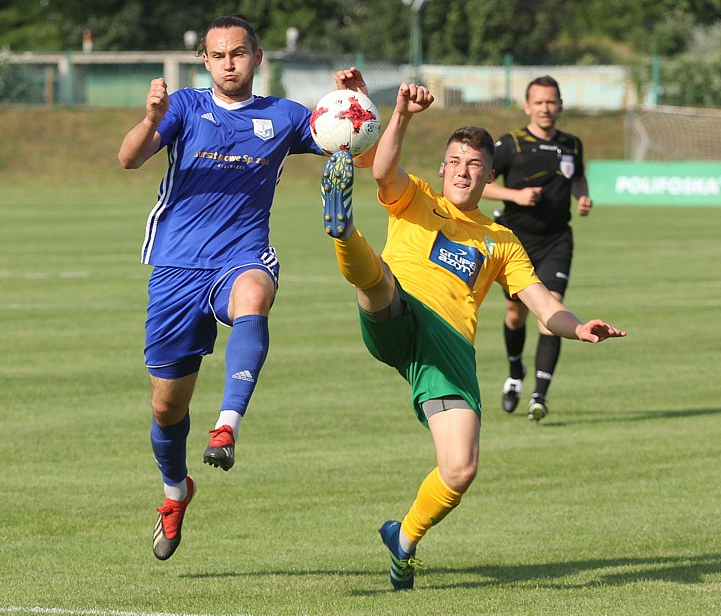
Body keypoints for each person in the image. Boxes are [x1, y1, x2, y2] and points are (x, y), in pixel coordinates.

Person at [320, 82, 625, 590]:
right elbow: (382, 169)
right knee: (377, 280)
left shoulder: (501, 240)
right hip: (398, 316)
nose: (462, 171)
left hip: (448, 351)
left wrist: (579, 327)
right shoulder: (415, 197)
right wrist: (401, 113)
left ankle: (405, 540)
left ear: (488, 174)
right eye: (455, 161)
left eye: (474, 165)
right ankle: (344, 232)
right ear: (442, 169)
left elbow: (544, 306)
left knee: (460, 469)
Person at [118, 14, 372, 561]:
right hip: (177, 267)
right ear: (205, 61)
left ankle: (226, 427)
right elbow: (129, 158)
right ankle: (175, 490)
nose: (228, 63)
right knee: (166, 409)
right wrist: (151, 119)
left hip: (243, 254)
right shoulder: (184, 107)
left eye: (238, 53)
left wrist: (358, 105)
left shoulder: (283, 116)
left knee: (255, 296)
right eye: (217, 55)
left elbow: (355, 149)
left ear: (257, 58)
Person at [481, 75, 593, 421]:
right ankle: (515, 373)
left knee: (553, 312)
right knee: (516, 314)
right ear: (528, 106)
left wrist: (583, 196)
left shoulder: (571, 143)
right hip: (516, 242)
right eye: (540, 102)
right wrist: (515, 195)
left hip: (557, 239)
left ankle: (539, 397)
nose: (546, 108)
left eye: (552, 101)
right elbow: (478, 184)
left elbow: (577, 178)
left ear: (560, 105)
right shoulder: (510, 144)